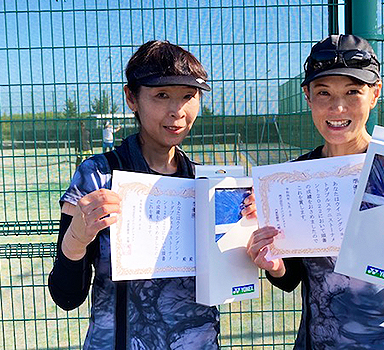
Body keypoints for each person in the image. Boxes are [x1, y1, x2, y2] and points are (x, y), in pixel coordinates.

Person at [246, 34, 384, 349]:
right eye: (324, 93)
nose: (337, 107)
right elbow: (290, 277)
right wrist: (274, 264)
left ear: (374, 94)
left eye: (353, 91)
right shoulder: (293, 178)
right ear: (307, 96)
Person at [48, 40, 255, 349]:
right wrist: (77, 236)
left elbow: (233, 282)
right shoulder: (97, 176)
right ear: (132, 98)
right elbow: (66, 296)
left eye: (188, 96)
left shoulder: (207, 184)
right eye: (161, 96)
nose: (178, 112)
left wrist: (246, 236)